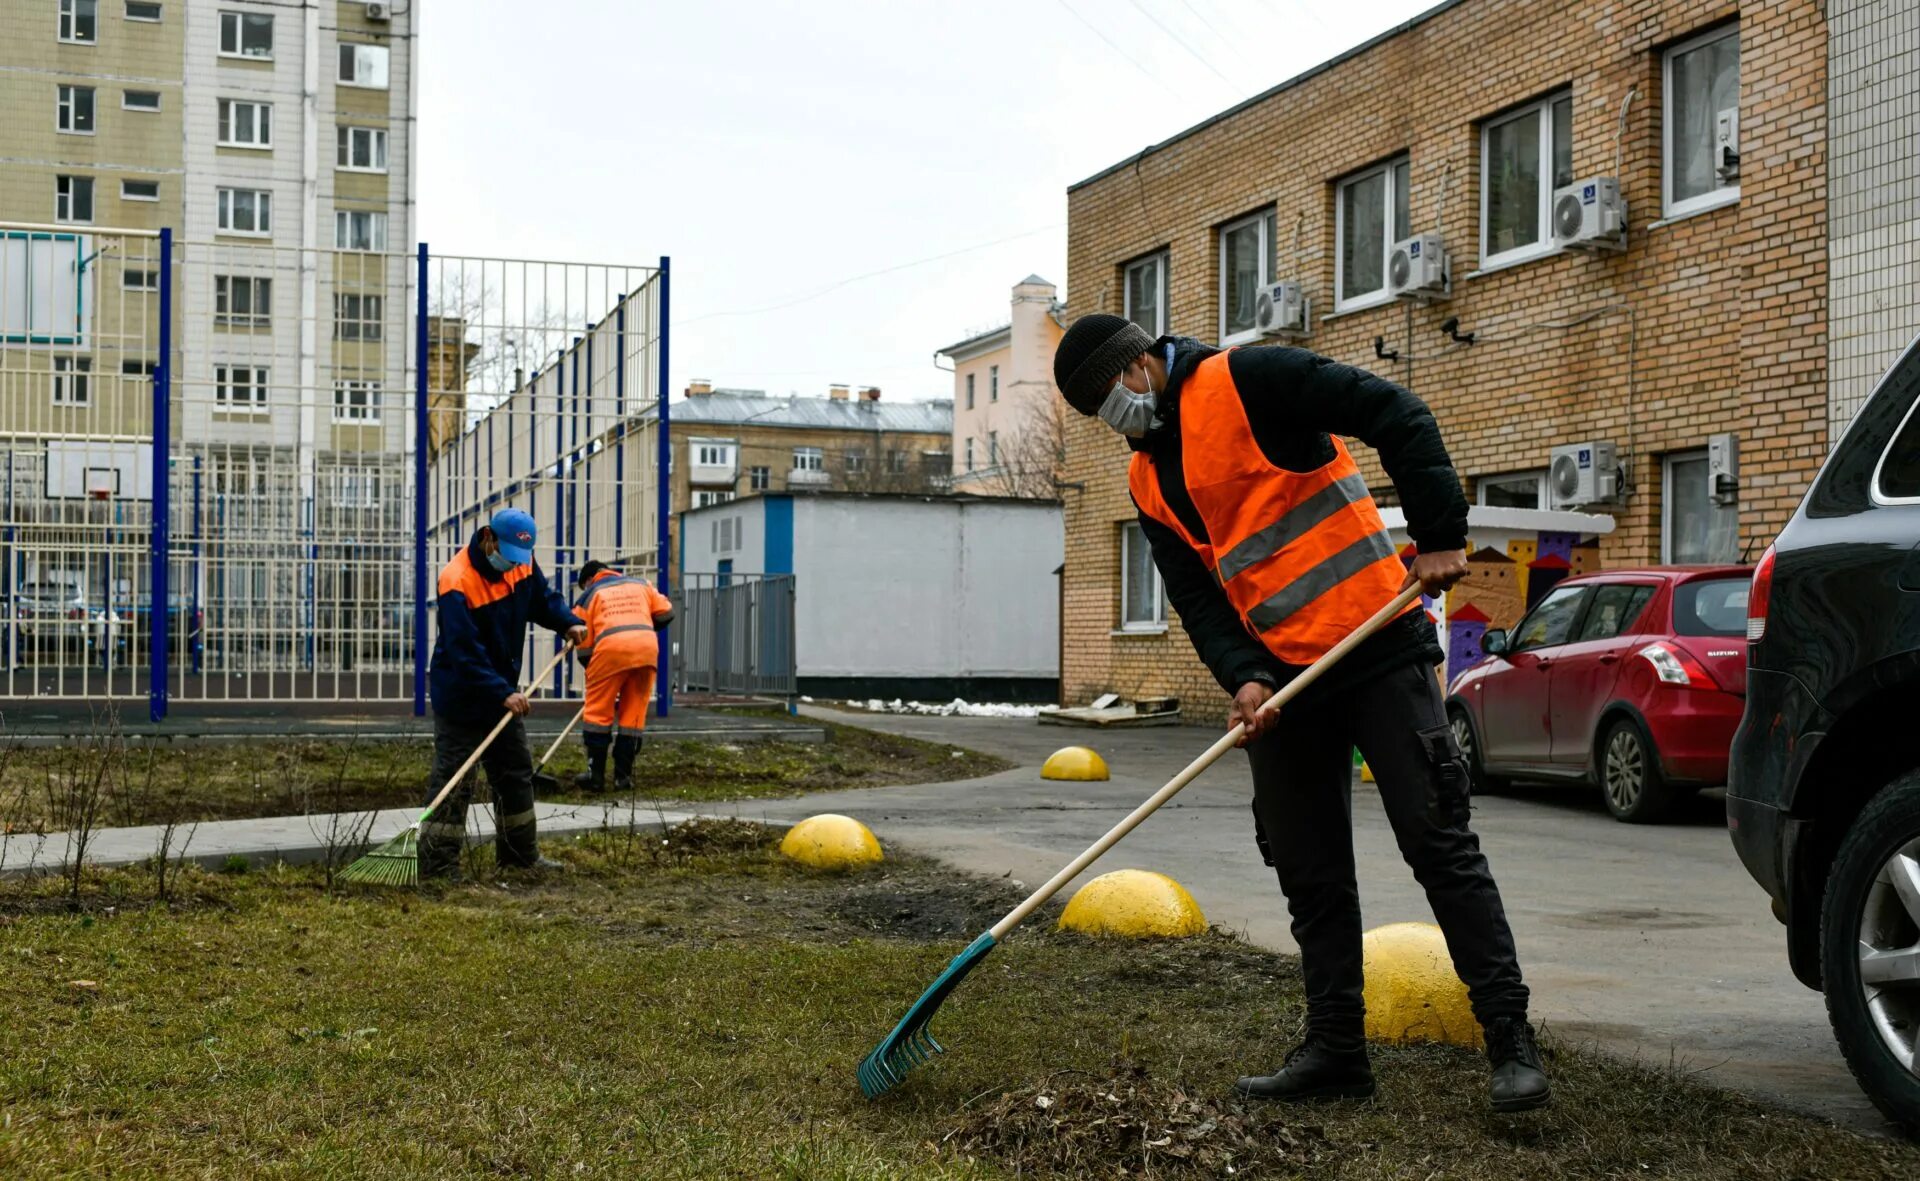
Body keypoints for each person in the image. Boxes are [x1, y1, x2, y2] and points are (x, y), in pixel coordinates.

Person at [1051, 314, 1549, 1113]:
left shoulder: (1250, 380)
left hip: (1377, 642)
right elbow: (1198, 595)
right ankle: (1336, 1052)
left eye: (1110, 395)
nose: (1114, 417)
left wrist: (1439, 532)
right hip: (1287, 679)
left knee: (1437, 842)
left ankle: (1510, 1041)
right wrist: (1241, 676)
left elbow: (1400, 412)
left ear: (1140, 361)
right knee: (1307, 866)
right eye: (1095, 413)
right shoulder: (1146, 478)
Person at [422, 507, 587, 879]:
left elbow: (543, 600)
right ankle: (437, 866)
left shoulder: (521, 564)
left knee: (515, 772)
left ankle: (519, 858)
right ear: (488, 538)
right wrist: (501, 692)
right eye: (507, 556)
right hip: (463, 696)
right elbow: (465, 652)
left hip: (501, 695)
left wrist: (568, 622)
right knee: (455, 780)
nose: (512, 566)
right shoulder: (456, 581)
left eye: (518, 559)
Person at [570, 560, 674, 793]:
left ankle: (595, 776)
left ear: (589, 580)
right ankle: (623, 777)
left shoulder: (588, 596)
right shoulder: (642, 584)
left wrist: (594, 670)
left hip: (610, 652)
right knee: (633, 715)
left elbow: (584, 646)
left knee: (598, 713)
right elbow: (666, 613)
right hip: (646, 651)